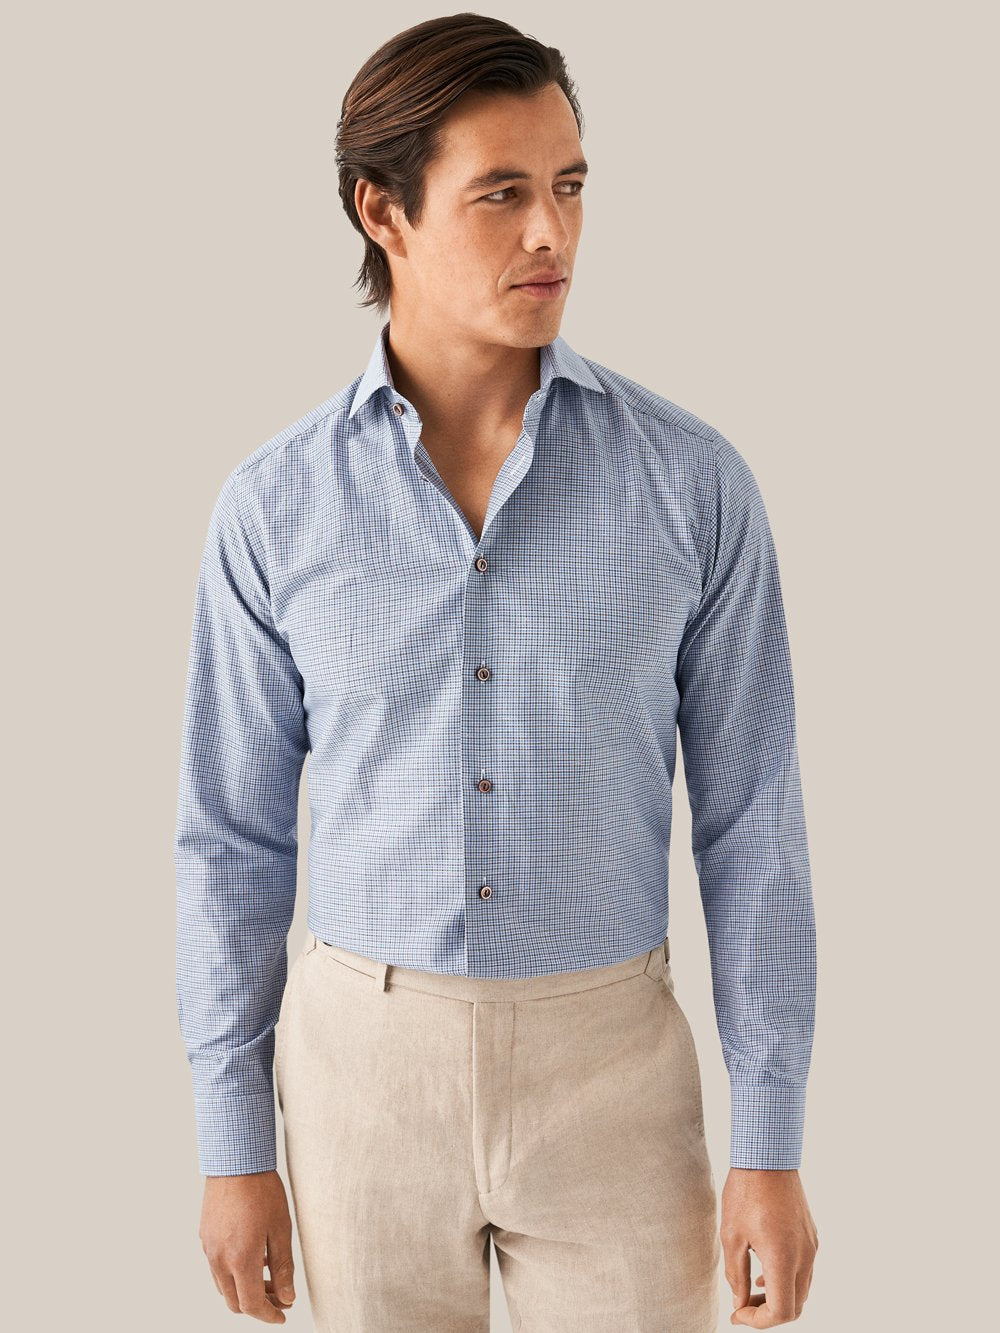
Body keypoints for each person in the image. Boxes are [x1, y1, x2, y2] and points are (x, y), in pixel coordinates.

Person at [174, 13, 819, 1330]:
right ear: (383, 211)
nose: (551, 234)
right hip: (361, 1076)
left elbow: (754, 829)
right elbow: (231, 841)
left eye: (570, 187)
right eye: (503, 194)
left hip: (614, 1068)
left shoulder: (690, 486)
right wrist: (233, 1146)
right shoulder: (276, 508)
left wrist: (771, 1139)